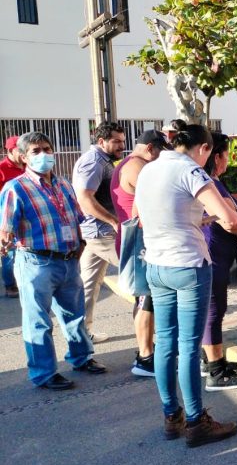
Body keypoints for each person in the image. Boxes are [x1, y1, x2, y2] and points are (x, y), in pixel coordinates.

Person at [134, 125, 237, 447]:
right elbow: (228, 219)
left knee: (166, 343)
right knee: (189, 346)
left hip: (156, 266)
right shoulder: (191, 170)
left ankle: (170, 415)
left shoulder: (149, 169)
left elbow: (145, 217)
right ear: (204, 148)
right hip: (188, 266)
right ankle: (196, 420)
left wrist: (196, 219)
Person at [0, 132, 107, 390]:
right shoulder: (15, 188)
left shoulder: (63, 185)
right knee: (38, 321)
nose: (44, 155)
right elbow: (5, 227)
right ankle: (44, 373)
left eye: (47, 149)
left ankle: (82, 358)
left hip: (69, 261)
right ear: (24, 158)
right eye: (36, 151)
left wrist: (81, 244)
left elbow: (78, 217)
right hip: (36, 263)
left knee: (75, 315)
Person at [110, 129, 171, 377]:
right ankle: (145, 357)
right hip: (138, 241)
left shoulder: (128, 163)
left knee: (147, 298)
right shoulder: (137, 166)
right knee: (146, 298)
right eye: (159, 153)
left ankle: (147, 351)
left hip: (136, 240)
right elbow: (154, 199)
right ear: (149, 148)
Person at [199, 132, 237, 391]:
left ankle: (212, 358)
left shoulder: (212, 182)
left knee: (214, 310)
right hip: (212, 255)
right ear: (216, 156)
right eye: (226, 154)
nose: (228, 160)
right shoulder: (208, 184)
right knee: (212, 311)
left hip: (218, 254)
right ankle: (215, 371)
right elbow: (229, 220)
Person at [73, 121, 126, 343]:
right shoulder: (94, 161)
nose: (121, 146)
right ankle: (151, 340)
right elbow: (85, 198)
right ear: (101, 140)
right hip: (101, 232)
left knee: (89, 283)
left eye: (123, 141)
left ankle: (82, 334)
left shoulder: (103, 160)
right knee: (138, 275)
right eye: (116, 142)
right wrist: (113, 221)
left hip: (96, 231)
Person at [1, 135, 25, 298]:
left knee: (25, 247)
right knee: (9, 251)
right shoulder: (2, 169)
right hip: (6, 215)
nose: (24, 152)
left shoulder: (27, 165)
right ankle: (10, 285)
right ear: (10, 150)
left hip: (27, 214)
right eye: (20, 149)